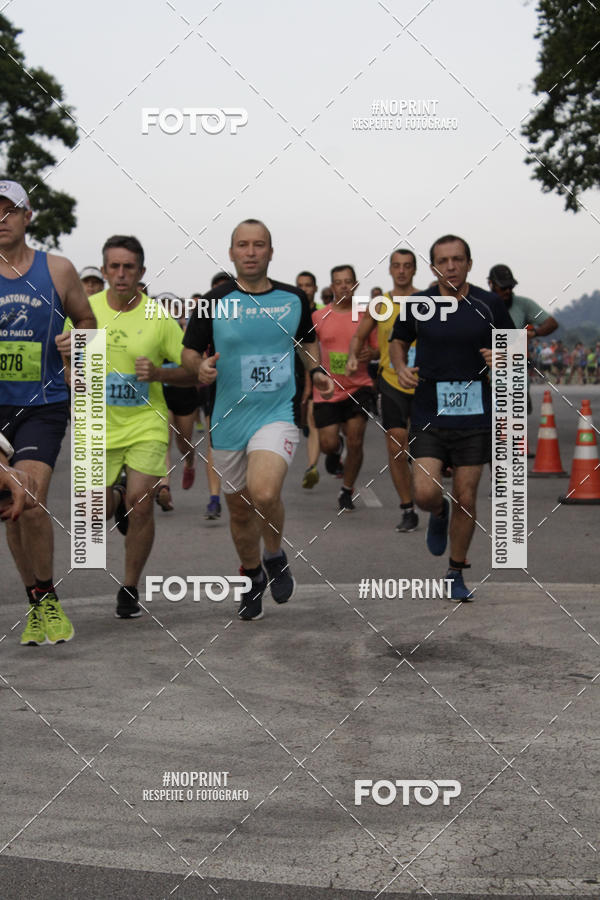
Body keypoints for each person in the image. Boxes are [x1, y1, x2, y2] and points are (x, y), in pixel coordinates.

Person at [182, 218, 334, 621]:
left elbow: (308, 343)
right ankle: (251, 574)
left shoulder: (293, 299)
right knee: (239, 508)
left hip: (276, 412)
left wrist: (317, 371)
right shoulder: (213, 301)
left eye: (259, 244)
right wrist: (199, 368)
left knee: (264, 493)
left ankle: (275, 555)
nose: (251, 252)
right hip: (229, 419)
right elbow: (189, 352)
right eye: (243, 245)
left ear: (271, 251)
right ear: (232, 252)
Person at [389, 234, 514, 601]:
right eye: (443, 261)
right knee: (425, 492)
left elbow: (517, 349)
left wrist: (504, 357)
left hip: (475, 414)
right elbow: (398, 340)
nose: (451, 266)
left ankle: (455, 570)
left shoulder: (489, 304)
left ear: (470, 264)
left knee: (467, 495)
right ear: (433, 268)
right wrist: (399, 366)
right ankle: (437, 512)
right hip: (429, 409)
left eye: (458, 259)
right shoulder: (419, 304)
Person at [0, 178, 96, 645]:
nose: (1, 220)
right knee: (10, 507)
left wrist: (74, 347)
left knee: (30, 498)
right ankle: (35, 597)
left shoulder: (57, 270)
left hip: (43, 404)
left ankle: (46, 598)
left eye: (9, 211)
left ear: (27, 216)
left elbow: (88, 322)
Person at [91, 235, 194, 618]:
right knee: (92, 512)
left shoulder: (158, 317)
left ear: (141, 273)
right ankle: (116, 499)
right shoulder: (85, 312)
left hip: (145, 423)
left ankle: (129, 587)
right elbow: (63, 359)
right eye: (113, 267)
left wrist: (159, 372)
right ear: (103, 271)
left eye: (128, 267)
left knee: (143, 503)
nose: (120, 275)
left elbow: (190, 372)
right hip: (98, 424)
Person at [347, 249, 420, 532]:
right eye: (397, 266)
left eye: (407, 266)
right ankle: (408, 508)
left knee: (427, 453)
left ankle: (431, 500)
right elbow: (359, 336)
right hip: (391, 382)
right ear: (390, 270)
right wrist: (355, 354)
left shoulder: (428, 300)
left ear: (414, 270)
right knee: (396, 445)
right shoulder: (381, 305)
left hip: (425, 384)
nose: (402, 271)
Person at [311, 264, 378, 511]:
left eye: (348, 281)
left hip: (359, 386)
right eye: (339, 282)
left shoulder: (365, 315)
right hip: (328, 389)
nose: (344, 286)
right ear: (332, 286)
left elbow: (377, 348)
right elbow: (309, 350)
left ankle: (346, 489)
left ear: (356, 285)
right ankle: (335, 449)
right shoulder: (318, 317)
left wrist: (371, 353)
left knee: (356, 441)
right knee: (327, 444)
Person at [488, 264, 558, 409]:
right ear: (491, 284)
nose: (508, 291)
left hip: (516, 377)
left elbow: (551, 323)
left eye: (510, 287)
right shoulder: (482, 304)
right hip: (488, 377)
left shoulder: (523, 305)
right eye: (503, 287)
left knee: (514, 427)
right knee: (491, 427)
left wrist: (535, 333)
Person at [153, 292, 199, 511]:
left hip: (185, 391)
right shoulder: (150, 330)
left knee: (183, 443)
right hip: (161, 391)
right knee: (164, 441)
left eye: (171, 308)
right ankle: (164, 488)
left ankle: (190, 461)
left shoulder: (188, 328)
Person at [296, 271, 321, 490]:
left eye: (308, 285)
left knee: (313, 422)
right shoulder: (291, 312)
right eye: (300, 285)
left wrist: (310, 381)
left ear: (315, 288)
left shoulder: (322, 314)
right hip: (293, 375)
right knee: (306, 424)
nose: (304, 289)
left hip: (317, 374)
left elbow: (311, 351)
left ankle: (312, 466)